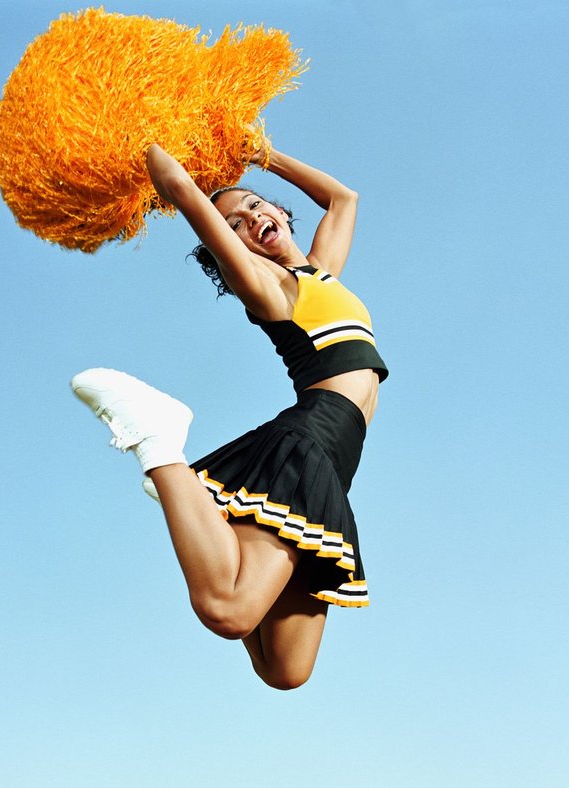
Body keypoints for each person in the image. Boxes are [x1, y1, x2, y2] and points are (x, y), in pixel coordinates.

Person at [71, 141, 388, 689]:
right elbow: (179, 187)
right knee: (228, 610)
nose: (252, 217)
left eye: (257, 206)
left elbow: (343, 199)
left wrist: (261, 152)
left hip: (336, 467)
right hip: (307, 444)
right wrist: (148, 128)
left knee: (283, 669)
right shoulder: (271, 288)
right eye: (235, 224)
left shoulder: (320, 275)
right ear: (232, 251)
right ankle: (158, 443)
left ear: (283, 212)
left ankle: (199, 502)